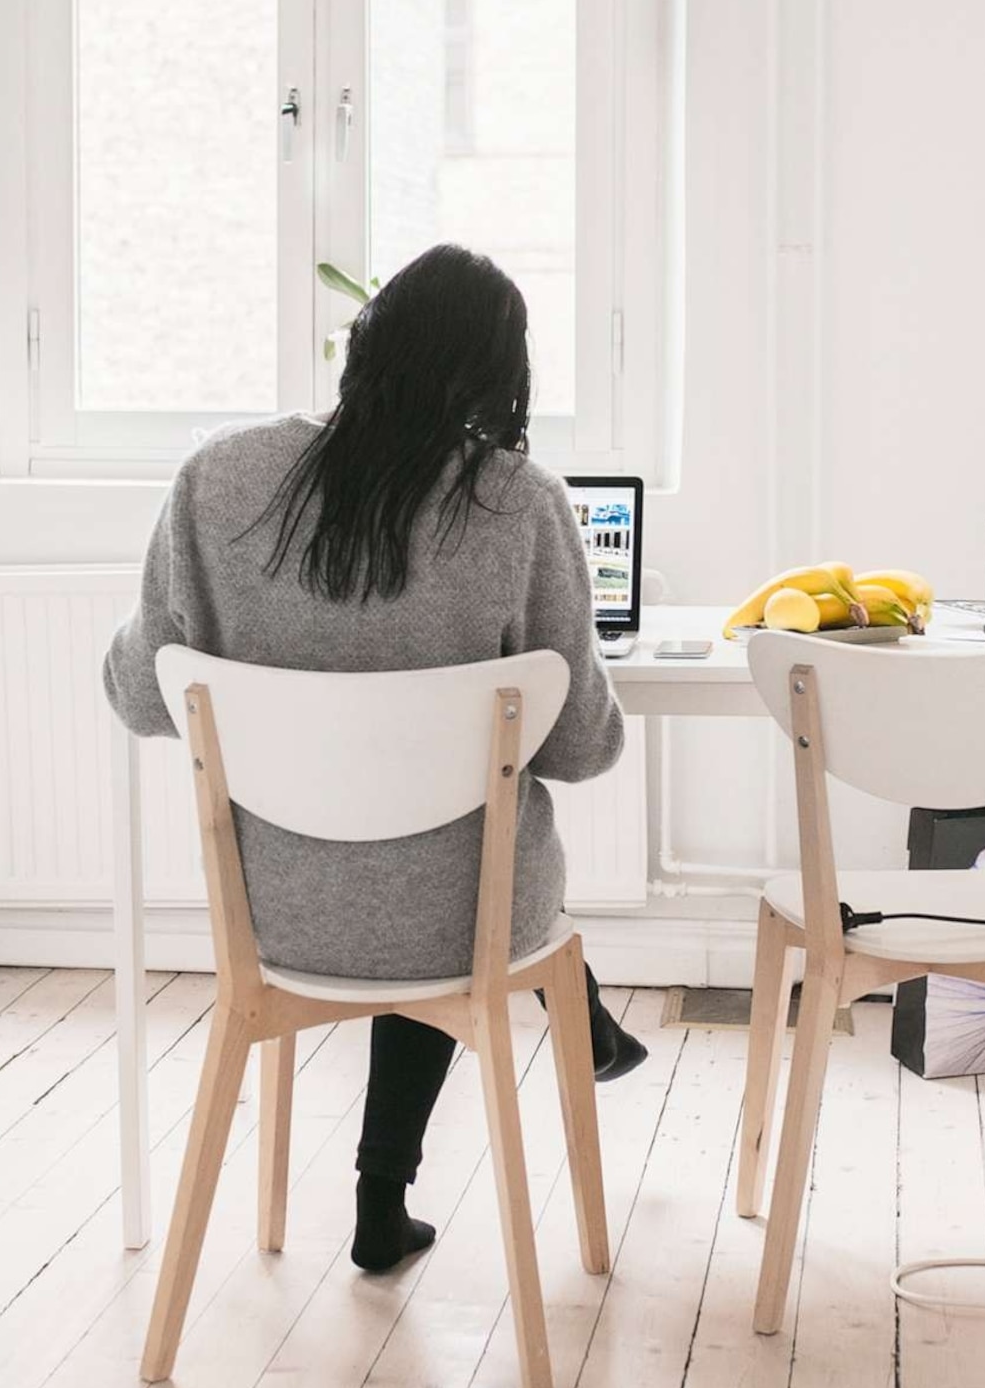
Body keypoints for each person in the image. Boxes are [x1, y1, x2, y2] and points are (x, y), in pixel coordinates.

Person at [103, 243, 644, 1273]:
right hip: (460, 918)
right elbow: (581, 748)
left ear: (367, 344)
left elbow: (143, 695)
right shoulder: (519, 504)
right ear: (498, 376)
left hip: (281, 911)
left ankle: (398, 1188)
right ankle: (388, 1187)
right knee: (460, 862)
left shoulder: (216, 479)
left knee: (424, 853)